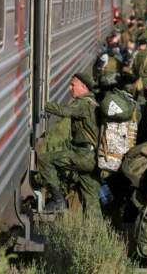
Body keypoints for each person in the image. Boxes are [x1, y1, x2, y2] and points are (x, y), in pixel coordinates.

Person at [36, 73, 101, 213]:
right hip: (93, 157)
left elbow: (63, 111)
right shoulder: (92, 103)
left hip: (83, 156)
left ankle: (58, 201)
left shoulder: (83, 103)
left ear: (83, 87)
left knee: (45, 159)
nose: (69, 88)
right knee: (91, 199)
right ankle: (96, 232)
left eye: (73, 85)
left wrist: (41, 103)